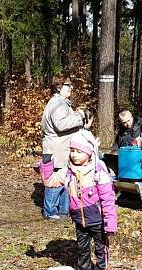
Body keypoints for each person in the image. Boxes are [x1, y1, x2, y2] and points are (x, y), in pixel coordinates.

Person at [42, 130, 118, 270]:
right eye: (72, 151)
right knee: (82, 249)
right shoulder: (68, 171)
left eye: (79, 151)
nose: (74, 155)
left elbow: (108, 199)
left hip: (97, 220)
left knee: (100, 249)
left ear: (89, 153)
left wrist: (110, 221)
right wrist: (47, 164)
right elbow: (50, 182)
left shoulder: (98, 171)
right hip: (79, 220)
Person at [40, 74, 92, 220]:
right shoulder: (57, 104)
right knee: (54, 182)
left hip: (60, 150)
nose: (71, 88)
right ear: (59, 87)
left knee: (64, 181)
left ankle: (63, 211)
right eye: (68, 85)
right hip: (57, 151)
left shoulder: (61, 103)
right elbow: (61, 124)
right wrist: (80, 115)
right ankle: (50, 212)